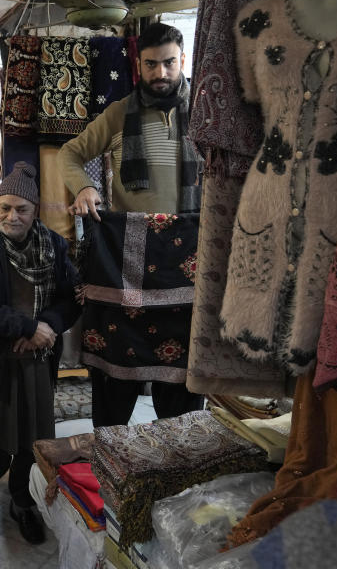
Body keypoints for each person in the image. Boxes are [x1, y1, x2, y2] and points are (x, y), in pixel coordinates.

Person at [58, 22, 204, 427]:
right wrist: (85, 188)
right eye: (152, 64)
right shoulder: (120, 113)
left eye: (169, 63)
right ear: (138, 65)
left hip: (192, 263)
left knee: (183, 381)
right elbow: (69, 155)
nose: (161, 73)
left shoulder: (208, 114)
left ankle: (180, 463)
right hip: (129, 264)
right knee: (116, 366)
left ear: (183, 60)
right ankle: (112, 457)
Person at [0, 161, 81, 545]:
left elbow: (71, 300)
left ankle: (21, 500)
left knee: (33, 439)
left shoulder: (54, 247)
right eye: (4, 208)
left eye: (21, 209)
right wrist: (27, 328)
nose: (12, 216)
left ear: (35, 211)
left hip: (37, 363)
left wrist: (48, 327)